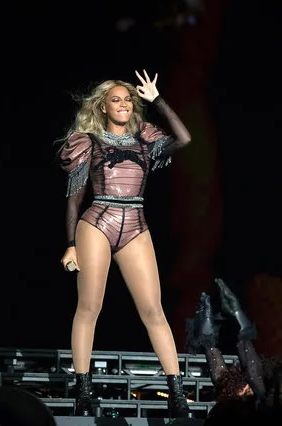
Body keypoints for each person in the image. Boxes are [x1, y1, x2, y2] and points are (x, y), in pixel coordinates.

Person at [57, 70, 192, 417]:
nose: (123, 103)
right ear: (103, 106)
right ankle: (83, 391)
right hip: (98, 220)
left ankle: (177, 393)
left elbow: (185, 138)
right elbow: (75, 197)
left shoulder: (146, 137)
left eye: (127, 99)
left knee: (154, 310)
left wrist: (157, 99)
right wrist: (71, 243)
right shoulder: (87, 141)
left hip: (135, 222)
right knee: (89, 307)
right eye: (115, 99)